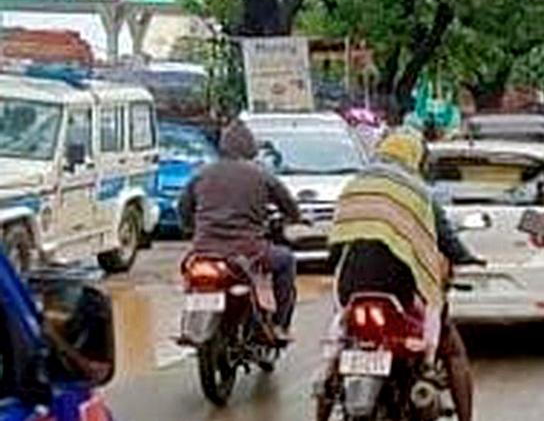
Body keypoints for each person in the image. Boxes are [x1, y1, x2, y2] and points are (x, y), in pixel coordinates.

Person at [324, 130, 478, 421]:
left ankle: (322, 402)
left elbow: (336, 242)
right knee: (453, 349)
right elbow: (446, 241)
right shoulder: (418, 192)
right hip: (399, 290)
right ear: (415, 158)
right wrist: (469, 258)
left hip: (351, 288)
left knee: (337, 345)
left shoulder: (355, 186)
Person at [179, 120, 303, 340]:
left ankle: (190, 327)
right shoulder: (261, 175)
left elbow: (184, 207)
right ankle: (279, 325)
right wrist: (295, 218)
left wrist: (191, 229)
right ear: (249, 148)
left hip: (204, 250)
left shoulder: (202, 174)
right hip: (248, 251)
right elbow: (288, 204)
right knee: (286, 261)